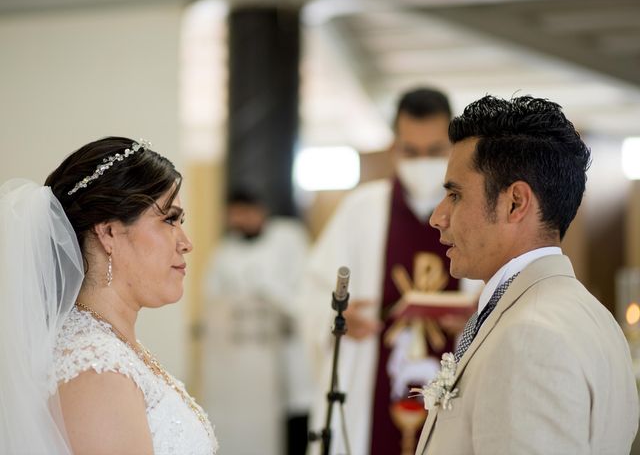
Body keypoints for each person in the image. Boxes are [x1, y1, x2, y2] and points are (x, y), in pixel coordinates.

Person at [416, 95, 639, 454]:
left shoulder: (530, 336)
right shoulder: (594, 317)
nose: (437, 217)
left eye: (455, 195)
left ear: (515, 202)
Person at [0, 137, 218, 454]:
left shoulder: (112, 346)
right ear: (109, 232)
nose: (186, 243)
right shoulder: (96, 371)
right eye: (169, 219)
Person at [302, 87, 478, 455]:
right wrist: (337, 317)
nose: (422, 162)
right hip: (373, 380)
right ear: (394, 147)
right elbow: (311, 292)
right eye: (410, 152)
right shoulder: (361, 210)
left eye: (434, 152)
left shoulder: (477, 216)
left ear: (454, 147)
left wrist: (475, 320)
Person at [202, 191, 311, 455]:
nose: (239, 220)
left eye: (244, 213)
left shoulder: (289, 237)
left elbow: (306, 286)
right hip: (248, 358)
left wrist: (269, 289)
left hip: (290, 342)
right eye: (234, 215)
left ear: (259, 210)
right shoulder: (225, 250)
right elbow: (212, 295)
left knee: (296, 415)